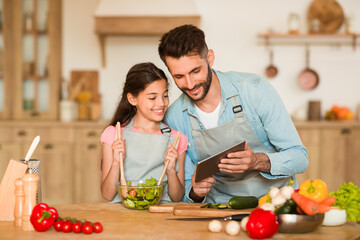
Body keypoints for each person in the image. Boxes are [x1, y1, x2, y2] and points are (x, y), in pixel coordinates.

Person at [158, 25, 308, 203]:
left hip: (275, 201)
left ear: (210, 58)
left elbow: (300, 158)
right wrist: (196, 192)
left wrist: (256, 161)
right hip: (219, 207)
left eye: (195, 71)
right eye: (179, 76)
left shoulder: (255, 90)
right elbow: (183, 191)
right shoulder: (175, 117)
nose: (190, 84)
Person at [100, 62, 188, 203]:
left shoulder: (177, 138)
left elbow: (177, 198)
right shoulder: (114, 134)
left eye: (165, 96)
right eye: (152, 98)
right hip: (122, 216)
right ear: (132, 99)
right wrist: (116, 162)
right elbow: (107, 195)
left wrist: (171, 170)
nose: (161, 103)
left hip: (160, 217)